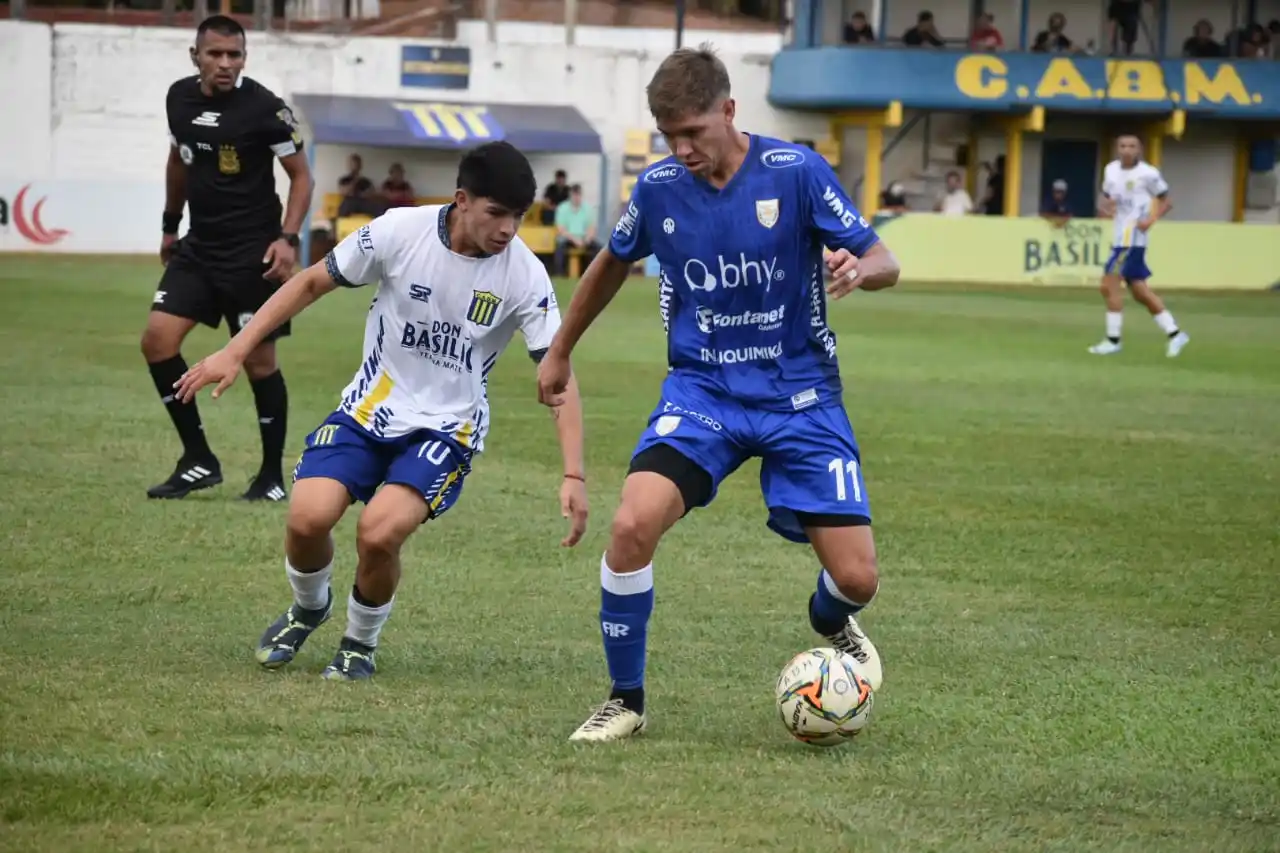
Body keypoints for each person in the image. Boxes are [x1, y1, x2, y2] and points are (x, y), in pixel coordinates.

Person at [536, 45, 900, 742]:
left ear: (730, 111)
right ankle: (627, 698)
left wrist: (862, 266)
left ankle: (830, 619)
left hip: (800, 396)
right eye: (670, 135)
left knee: (857, 575)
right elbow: (612, 262)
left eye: (693, 132)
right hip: (703, 393)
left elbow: (884, 258)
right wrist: (559, 350)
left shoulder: (795, 172)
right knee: (629, 525)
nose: (681, 149)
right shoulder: (660, 188)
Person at [173, 141, 589, 680]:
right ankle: (308, 607)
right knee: (306, 518)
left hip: (446, 428)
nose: (509, 229)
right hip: (367, 412)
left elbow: (559, 374)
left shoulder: (524, 277)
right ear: (462, 200)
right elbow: (310, 281)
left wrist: (573, 471)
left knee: (378, 532)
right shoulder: (399, 231)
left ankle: (358, 644)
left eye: (519, 216)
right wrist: (236, 349)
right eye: (496, 213)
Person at [145, 14, 313, 501]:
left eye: (234, 55)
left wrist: (288, 238)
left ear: (244, 58)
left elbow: (301, 177)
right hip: (200, 245)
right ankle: (198, 458)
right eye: (215, 53)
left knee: (260, 363)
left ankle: (271, 478)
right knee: (157, 341)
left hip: (253, 252)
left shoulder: (266, 109)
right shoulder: (179, 98)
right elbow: (179, 160)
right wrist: (170, 225)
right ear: (195, 55)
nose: (225, 63)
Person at [1090, 135, 1189, 358]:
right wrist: (1105, 209)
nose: (1127, 150)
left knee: (1108, 285)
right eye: (1123, 146)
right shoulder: (1111, 170)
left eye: (1132, 146)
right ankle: (1175, 334)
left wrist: (1151, 220)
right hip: (1119, 236)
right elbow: (1108, 198)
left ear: (1140, 150)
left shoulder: (1148, 174)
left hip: (1132, 239)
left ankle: (1113, 340)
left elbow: (1166, 201)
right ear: (1117, 149)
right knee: (1140, 292)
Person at [553, 183, 600, 275]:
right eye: (574, 195)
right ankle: (560, 274)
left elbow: (591, 227)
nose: (576, 197)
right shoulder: (562, 208)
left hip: (583, 238)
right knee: (560, 246)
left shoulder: (587, 208)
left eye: (578, 194)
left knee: (598, 248)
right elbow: (561, 229)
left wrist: (587, 238)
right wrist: (575, 240)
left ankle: (594, 274)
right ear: (570, 195)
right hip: (568, 238)